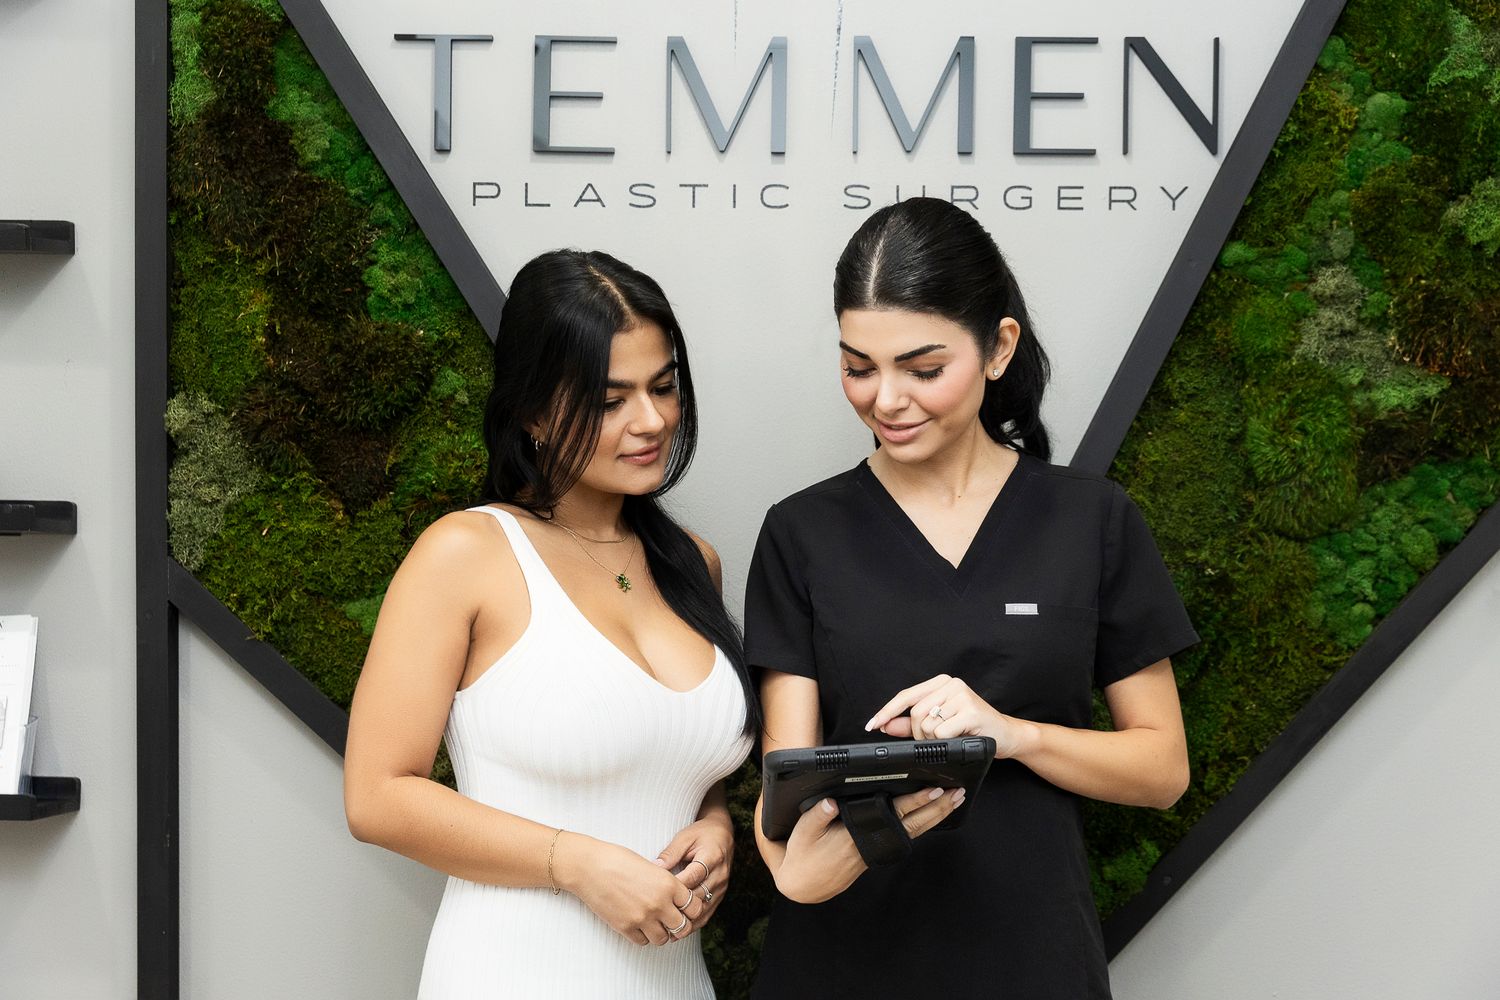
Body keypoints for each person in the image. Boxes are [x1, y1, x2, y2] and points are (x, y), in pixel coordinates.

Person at [746, 197, 1198, 998]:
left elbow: (1161, 769)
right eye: (858, 366)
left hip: (1032, 960)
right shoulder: (800, 532)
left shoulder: (1089, 521)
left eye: (922, 369)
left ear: (998, 349)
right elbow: (787, 779)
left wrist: (1011, 735)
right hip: (844, 961)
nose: (885, 399)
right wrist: (790, 868)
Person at [343, 249, 755, 999]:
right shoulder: (465, 554)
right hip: (512, 973)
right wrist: (577, 862)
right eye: (610, 400)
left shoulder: (694, 564)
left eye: (664, 387)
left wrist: (716, 825)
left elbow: (668, 754)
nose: (652, 420)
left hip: (673, 980)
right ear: (533, 409)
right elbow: (377, 796)